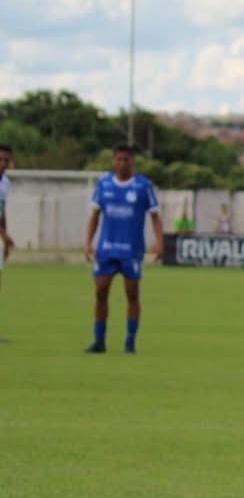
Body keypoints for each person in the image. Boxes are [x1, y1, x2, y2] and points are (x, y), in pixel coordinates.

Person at [83, 145, 163, 354]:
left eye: (126, 160)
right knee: (100, 291)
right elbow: (95, 216)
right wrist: (87, 243)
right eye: (118, 159)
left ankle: (130, 341)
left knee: (132, 294)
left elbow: (155, 217)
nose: (122, 163)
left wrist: (160, 242)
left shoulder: (143, 185)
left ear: (132, 161)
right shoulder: (104, 183)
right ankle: (99, 341)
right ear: (113, 161)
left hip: (132, 249)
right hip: (106, 248)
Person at [0, 144, 14, 342]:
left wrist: (5, 237)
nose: (2, 164)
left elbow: (2, 212)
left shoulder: (6, 183)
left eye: (5, 160)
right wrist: (4, 235)